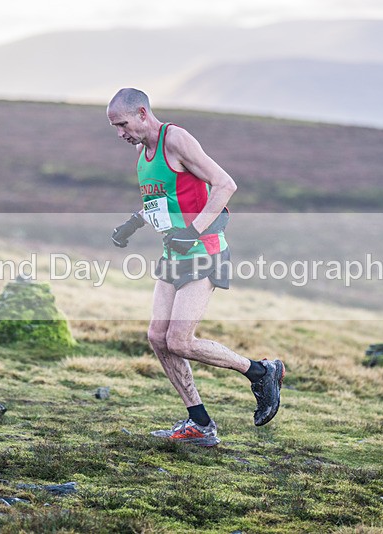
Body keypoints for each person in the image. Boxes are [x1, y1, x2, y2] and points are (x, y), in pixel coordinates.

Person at [106, 88, 285, 447]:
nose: (120, 133)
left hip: (204, 250)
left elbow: (225, 184)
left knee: (179, 340)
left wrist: (193, 231)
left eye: (123, 124)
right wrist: (133, 223)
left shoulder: (177, 139)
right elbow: (164, 203)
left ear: (142, 113)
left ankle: (262, 371)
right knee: (158, 338)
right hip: (174, 254)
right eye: (115, 127)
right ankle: (199, 423)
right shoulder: (143, 155)